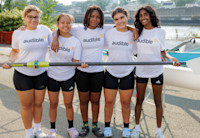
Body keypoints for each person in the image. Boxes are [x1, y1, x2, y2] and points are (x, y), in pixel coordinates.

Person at [51, 5, 111, 137]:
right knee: (83, 101)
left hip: (98, 71)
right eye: (92, 16)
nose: (94, 19)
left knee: (95, 101)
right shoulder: (78, 30)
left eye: (97, 16)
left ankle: (95, 126)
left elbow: (121, 27)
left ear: (101, 18)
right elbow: (60, 28)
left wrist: (132, 29)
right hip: (81, 72)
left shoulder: (104, 29)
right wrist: (55, 38)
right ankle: (85, 126)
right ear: (87, 17)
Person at [2, 5, 52, 138]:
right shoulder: (18, 33)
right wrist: (10, 61)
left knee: (38, 104)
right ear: (24, 17)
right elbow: (15, 51)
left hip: (41, 73)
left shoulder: (45, 30)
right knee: (26, 105)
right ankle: (29, 133)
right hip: (23, 74)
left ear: (39, 18)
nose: (33, 19)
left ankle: (38, 130)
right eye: (29, 17)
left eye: (36, 17)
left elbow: (57, 42)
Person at [131, 5, 180, 138]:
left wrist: (170, 58)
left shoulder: (160, 31)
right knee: (139, 100)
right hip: (141, 70)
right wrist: (133, 29)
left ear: (151, 15)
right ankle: (136, 128)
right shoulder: (137, 31)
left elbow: (162, 50)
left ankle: (158, 131)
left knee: (158, 102)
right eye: (140, 16)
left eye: (145, 15)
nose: (143, 18)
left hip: (156, 70)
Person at [46, 13, 83, 138]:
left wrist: (79, 64)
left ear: (71, 24)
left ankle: (71, 128)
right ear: (58, 24)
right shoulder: (51, 37)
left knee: (68, 104)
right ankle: (52, 129)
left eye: (68, 22)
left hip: (68, 77)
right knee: (53, 104)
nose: (65, 25)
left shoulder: (75, 42)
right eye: (62, 22)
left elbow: (75, 62)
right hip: (52, 76)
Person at [103, 7, 136, 138]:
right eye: (116, 19)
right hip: (111, 72)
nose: (120, 21)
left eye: (122, 17)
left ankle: (126, 127)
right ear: (113, 21)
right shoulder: (109, 32)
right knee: (109, 102)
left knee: (126, 103)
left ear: (127, 16)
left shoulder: (134, 33)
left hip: (127, 72)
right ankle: (107, 126)